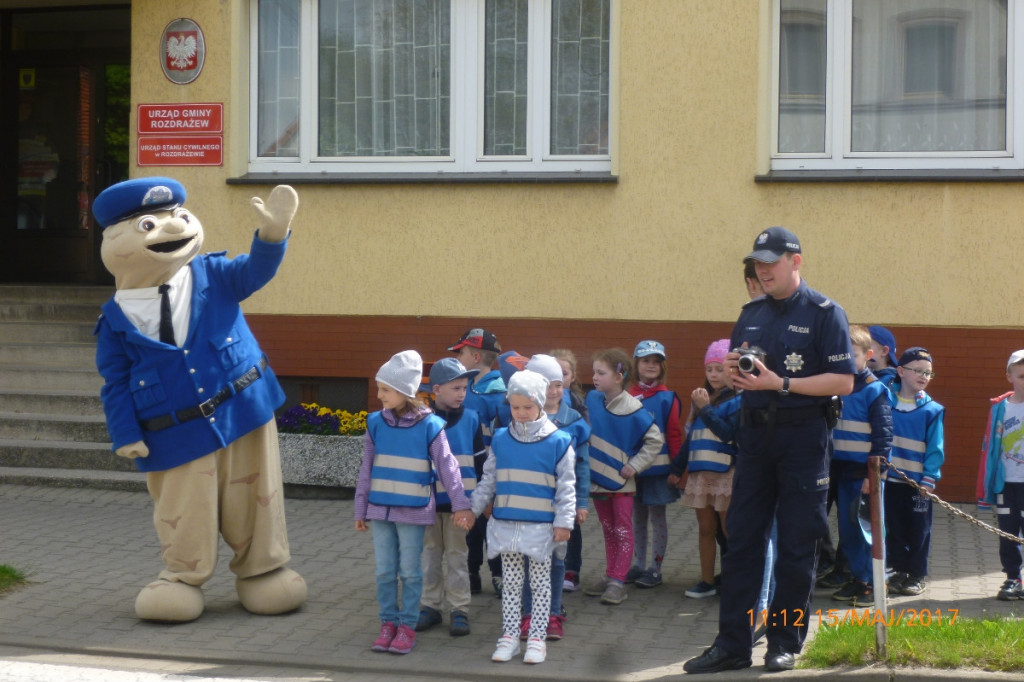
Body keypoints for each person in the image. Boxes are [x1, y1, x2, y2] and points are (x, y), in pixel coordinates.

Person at [684, 226, 855, 675]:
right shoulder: (751, 312)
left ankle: (784, 641)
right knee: (741, 544)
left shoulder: (825, 313)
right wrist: (734, 377)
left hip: (803, 439)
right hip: (755, 440)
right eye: (757, 264)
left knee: (798, 548)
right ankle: (732, 644)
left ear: (795, 262)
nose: (762, 271)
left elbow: (843, 382)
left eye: (771, 263)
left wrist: (779, 383)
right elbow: (743, 370)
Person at [354, 351, 474, 655]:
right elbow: (366, 469)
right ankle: (387, 623)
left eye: (385, 389)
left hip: (414, 511)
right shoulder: (374, 423)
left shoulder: (431, 426)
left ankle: (407, 626)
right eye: (379, 388)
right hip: (380, 510)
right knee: (384, 571)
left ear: (405, 391)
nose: (379, 395)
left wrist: (460, 505)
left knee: (409, 571)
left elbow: (448, 467)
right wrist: (360, 509)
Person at [470, 370, 577, 665]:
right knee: (512, 583)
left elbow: (567, 487)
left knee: (541, 585)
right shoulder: (502, 438)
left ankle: (537, 638)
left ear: (540, 404)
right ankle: (509, 635)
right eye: (515, 408)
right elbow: (488, 479)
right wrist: (473, 509)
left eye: (527, 407)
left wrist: (564, 522)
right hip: (506, 524)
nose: (521, 413)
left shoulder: (559, 441)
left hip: (541, 527)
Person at [583, 348, 664, 605]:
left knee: (622, 529)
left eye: (601, 373)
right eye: (594, 372)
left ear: (619, 377)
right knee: (608, 529)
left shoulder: (634, 408)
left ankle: (618, 581)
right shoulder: (592, 400)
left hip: (622, 483)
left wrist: (635, 465)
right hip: (597, 480)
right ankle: (611, 575)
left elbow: (655, 440)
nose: (594, 377)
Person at [519, 353, 591, 640]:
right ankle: (527, 614)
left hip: (561, 504)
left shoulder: (574, 421)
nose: (553, 391)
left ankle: (552, 613)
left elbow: (582, 466)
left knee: (557, 562)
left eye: (558, 384)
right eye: (547, 384)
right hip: (528, 503)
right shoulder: (521, 416)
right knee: (528, 559)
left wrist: (581, 503)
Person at [415, 358, 483, 636]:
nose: (461, 394)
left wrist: (480, 502)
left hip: (460, 506)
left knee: (458, 557)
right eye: (455, 388)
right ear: (437, 389)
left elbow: (480, 462)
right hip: (428, 504)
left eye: (464, 388)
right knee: (430, 557)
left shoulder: (471, 419)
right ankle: (430, 606)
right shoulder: (422, 421)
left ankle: (459, 609)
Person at [669, 339, 740, 599]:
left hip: (725, 474)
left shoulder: (738, 400)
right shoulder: (702, 399)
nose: (713, 375)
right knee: (705, 529)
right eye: (709, 369)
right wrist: (678, 468)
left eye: (719, 369)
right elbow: (692, 438)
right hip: (700, 475)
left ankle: (736, 581)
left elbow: (727, 433)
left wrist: (706, 409)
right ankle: (707, 580)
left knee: (728, 530)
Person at [828, 325, 893, 604]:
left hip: (864, 475)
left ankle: (875, 583)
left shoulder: (874, 391)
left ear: (867, 355)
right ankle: (858, 578)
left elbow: (883, 435)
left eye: (851, 354)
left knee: (867, 529)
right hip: (838, 471)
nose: (845, 360)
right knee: (848, 529)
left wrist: (874, 475)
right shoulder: (834, 387)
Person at [448, 328, 506, 596]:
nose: (458, 357)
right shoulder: (464, 390)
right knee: (470, 522)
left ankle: (499, 573)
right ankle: (471, 573)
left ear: (474, 356)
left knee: (493, 522)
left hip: (494, 470)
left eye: (460, 353)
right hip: (469, 468)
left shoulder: (500, 394)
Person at [885, 347, 945, 598]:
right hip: (889, 480)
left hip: (918, 483)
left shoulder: (933, 410)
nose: (923, 376)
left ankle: (917, 574)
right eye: (917, 370)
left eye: (928, 373)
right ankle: (898, 570)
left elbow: (935, 447)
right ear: (900, 371)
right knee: (893, 526)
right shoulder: (884, 401)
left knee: (918, 529)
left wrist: (929, 479)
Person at [626, 340, 683, 588]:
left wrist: (677, 468)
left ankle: (656, 569)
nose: (651, 366)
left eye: (656, 362)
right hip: (632, 470)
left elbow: (674, 435)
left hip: (659, 472)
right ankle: (638, 565)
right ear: (636, 364)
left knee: (657, 517)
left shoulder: (667, 398)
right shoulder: (626, 396)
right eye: (645, 360)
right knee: (637, 517)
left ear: (662, 367)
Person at [977, 350, 1024, 601]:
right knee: (1007, 533)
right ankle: (1013, 578)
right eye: (1022, 376)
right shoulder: (1000, 409)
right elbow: (991, 449)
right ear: (1009, 377)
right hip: (1006, 483)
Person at [549, 347, 589, 591]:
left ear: (572, 377)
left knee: (570, 525)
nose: (558, 381)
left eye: (563, 374)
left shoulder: (575, 408)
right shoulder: (531, 408)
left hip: (569, 480)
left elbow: (583, 447)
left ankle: (571, 570)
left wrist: (582, 499)